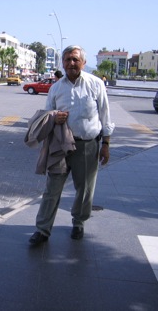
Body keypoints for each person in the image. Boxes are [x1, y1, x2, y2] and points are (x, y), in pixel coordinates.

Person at [28, 45, 115, 244]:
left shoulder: (95, 84)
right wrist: (54, 118)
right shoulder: (56, 87)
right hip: (59, 145)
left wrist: (106, 144)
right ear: (63, 63)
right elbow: (46, 114)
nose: (71, 63)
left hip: (86, 145)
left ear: (83, 62)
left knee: (84, 189)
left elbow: (105, 116)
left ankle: (78, 223)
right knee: (52, 188)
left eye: (75, 59)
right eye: (67, 60)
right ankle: (42, 229)